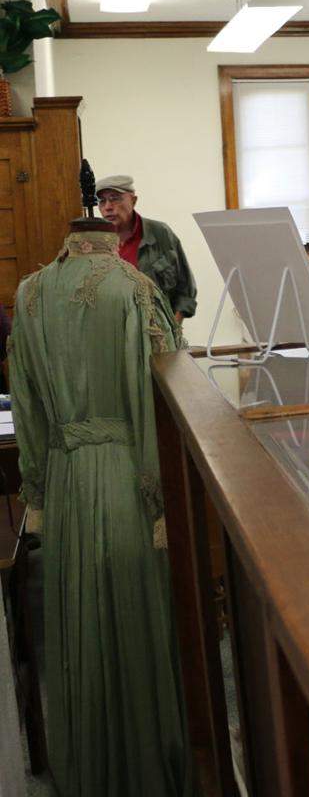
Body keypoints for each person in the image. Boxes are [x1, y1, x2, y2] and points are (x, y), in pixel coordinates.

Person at [10, 217, 194, 796]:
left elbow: (25, 404)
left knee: (77, 621)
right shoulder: (135, 289)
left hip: (64, 479)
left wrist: (36, 489)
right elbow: (162, 405)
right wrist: (161, 494)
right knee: (135, 617)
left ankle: (90, 769)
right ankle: (147, 770)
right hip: (124, 477)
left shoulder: (29, 292)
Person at [95, 174, 197, 324]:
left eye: (115, 198)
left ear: (133, 200)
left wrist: (173, 328)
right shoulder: (94, 242)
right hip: (112, 332)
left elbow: (185, 287)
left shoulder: (160, 234)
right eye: (102, 201)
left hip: (157, 331)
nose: (108, 207)